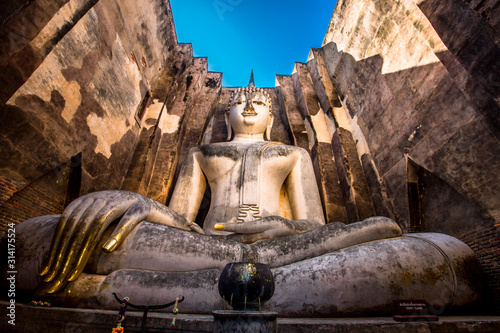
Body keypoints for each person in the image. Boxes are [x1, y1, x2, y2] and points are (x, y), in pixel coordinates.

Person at [11, 85, 481, 316]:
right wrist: (138, 203)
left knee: (437, 251)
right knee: (32, 240)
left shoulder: (292, 153)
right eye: (241, 100)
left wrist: (283, 229)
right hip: (202, 246)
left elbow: (313, 223)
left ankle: (112, 290)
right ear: (228, 113)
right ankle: (265, 289)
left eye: (260, 100)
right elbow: (178, 217)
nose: (251, 104)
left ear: (272, 115)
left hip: (288, 246)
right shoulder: (204, 152)